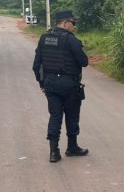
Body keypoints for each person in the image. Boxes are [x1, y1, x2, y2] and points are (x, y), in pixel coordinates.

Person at [33, 10, 89, 163]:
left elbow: (36, 65)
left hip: (50, 85)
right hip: (70, 86)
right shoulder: (71, 40)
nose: (75, 26)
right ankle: (72, 148)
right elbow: (84, 62)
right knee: (72, 116)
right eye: (73, 23)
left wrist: (41, 83)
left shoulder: (44, 38)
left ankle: (53, 152)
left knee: (55, 117)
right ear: (65, 23)